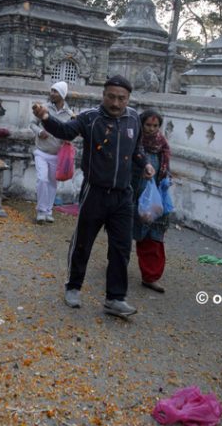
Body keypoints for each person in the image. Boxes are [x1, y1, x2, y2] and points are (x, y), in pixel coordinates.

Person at [32, 75, 155, 319]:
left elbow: (137, 148)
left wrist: (145, 164)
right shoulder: (90, 118)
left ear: (128, 99)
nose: (116, 103)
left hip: (123, 196)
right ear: (104, 95)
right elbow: (65, 130)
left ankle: (115, 298)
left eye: (121, 98)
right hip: (94, 193)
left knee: (121, 248)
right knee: (83, 242)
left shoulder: (133, 119)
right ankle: (73, 287)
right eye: (111, 96)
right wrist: (45, 117)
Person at [132, 109, 171, 293]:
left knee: (153, 235)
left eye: (155, 126)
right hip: (132, 194)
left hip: (152, 197)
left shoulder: (161, 145)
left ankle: (150, 276)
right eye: (148, 125)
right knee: (122, 232)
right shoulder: (134, 143)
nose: (151, 129)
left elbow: (165, 168)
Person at [29, 81, 74, 224]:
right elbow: (32, 124)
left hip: (57, 155)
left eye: (55, 91)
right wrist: (39, 131)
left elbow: (72, 132)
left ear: (62, 94)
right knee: (42, 179)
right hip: (41, 152)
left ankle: (48, 211)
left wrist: (68, 140)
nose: (52, 94)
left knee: (53, 184)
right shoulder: (44, 109)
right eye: (52, 91)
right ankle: (41, 211)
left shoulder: (69, 114)